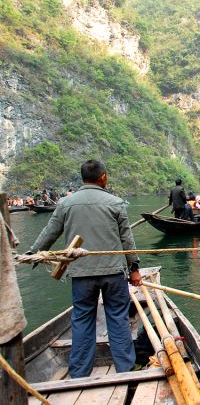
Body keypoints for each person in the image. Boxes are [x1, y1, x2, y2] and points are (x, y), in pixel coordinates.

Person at [23, 160, 140, 378]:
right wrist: (134, 268)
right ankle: (125, 369)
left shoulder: (66, 204)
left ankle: (79, 373)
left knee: (82, 319)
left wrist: (33, 254)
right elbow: (127, 240)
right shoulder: (115, 203)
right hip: (113, 272)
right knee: (118, 317)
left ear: (82, 177)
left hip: (81, 274)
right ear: (103, 177)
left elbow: (49, 233)